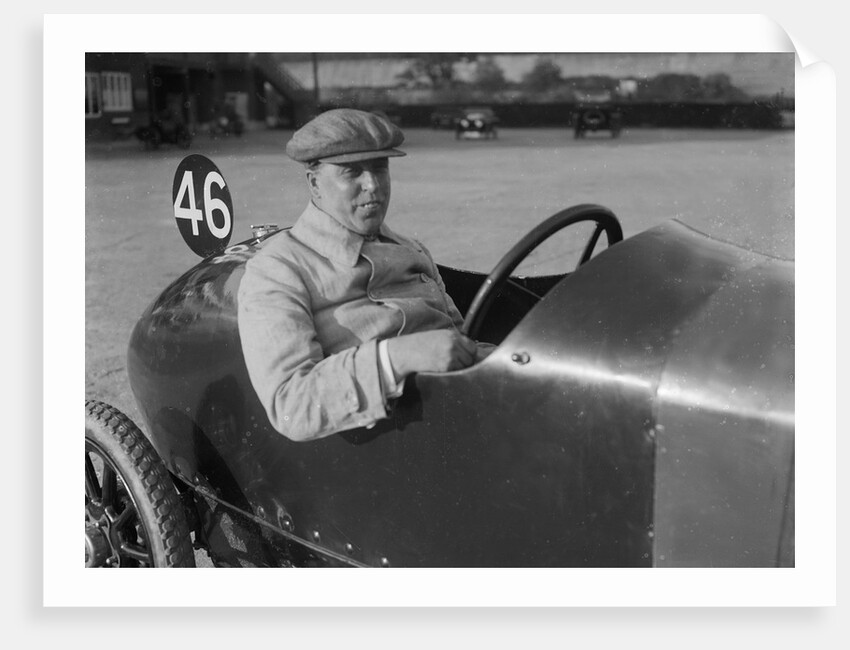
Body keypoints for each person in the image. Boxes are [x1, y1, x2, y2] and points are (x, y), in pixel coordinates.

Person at [237, 109, 492, 442]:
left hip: (464, 417)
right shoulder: (279, 270)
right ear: (314, 184)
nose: (372, 185)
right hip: (400, 440)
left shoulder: (412, 249)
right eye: (352, 171)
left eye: (379, 167)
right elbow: (291, 406)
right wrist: (397, 357)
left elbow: (460, 342)